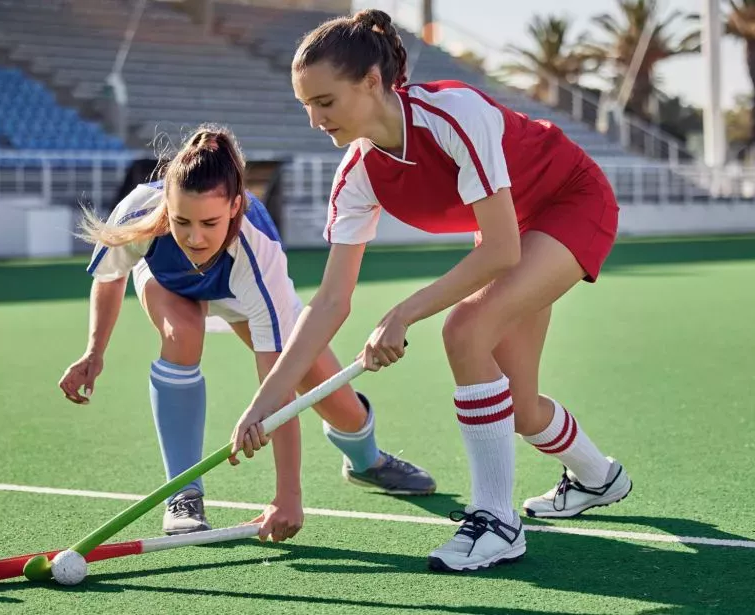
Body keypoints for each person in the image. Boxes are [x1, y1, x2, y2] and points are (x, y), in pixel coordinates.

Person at [229, 9, 632, 572]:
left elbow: (499, 252)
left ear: (372, 82)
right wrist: (262, 406)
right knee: (518, 405)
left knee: (464, 330)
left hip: (570, 201)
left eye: (325, 102)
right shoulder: (357, 176)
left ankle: (496, 521)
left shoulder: (453, 113)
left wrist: (402, 314)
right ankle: (598, 476)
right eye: (306, 107)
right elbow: (329, 302)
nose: (316, 121)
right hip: (513, 225)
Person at [59, 124, 435, 542]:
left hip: (242, 295)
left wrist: (287, 496)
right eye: (182, 221)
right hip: (170, 285)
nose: (194, 237)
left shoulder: (259, 251)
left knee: (336, 402)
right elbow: (110, 277)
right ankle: (183, 493)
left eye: (209, 222)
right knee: (181, 337)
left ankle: (367, 462)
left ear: (236, 207)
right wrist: (94, 353)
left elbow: (279, 380)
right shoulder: (139, 212)